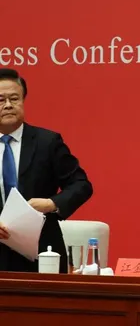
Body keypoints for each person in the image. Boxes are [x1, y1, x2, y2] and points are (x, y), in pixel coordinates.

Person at [0, 68, 93, 273]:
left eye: (14, 99)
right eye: (1, 100)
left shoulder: (47, 142)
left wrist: (52, 203)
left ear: (23, 100)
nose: (8, 105)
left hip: (42, 251)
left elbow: (81, 184)